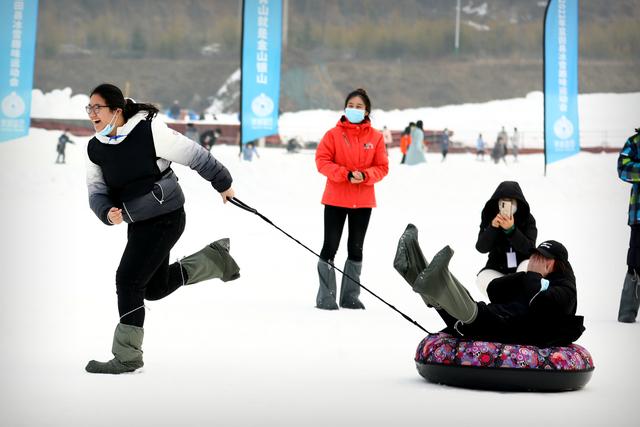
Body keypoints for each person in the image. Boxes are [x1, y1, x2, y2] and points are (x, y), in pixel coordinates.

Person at [83, 83, 240, 374]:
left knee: (128, 281)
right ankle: (214, 260)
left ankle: (127, 356)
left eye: (97, 107)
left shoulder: (149, 131)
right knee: (153, 288)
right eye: (88, 108)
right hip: (138, 221)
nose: (92, 113)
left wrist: (224, 183)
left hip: (166, 216)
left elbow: (196, 155)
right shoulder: (95, 148)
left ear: (116, 110)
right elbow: (96, 192)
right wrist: (106, 212)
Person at [394, 226, 585, 347]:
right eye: (536, 255)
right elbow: (494, 291)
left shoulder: (566, 290)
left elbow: (539, 307)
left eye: (543, 258)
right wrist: (526, 275)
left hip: (511, 330)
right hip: (497, 317)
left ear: (557, 264)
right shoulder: (530, 278)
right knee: (453, 303)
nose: (536, 260)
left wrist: (533, 275)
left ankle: (434, 276)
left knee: (470, 310)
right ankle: (411, 267)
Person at [315, 88, 389, 310]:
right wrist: (345, 174)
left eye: (359, 106)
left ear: (367, 111)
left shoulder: (375, 137)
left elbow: (382, 167)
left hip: (363, 201)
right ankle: (325, 297)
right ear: (345, 108)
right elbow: (322, 161)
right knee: (330, 246)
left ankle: (350, 297)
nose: (354, 109)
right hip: (335, 199)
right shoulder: (333, 134)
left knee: (356, 249)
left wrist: (365, 176)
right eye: (351, 105)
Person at [475, 181, 537, 297]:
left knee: (529, 266)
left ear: (518, 203)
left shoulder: (527, 219)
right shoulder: (490, 217)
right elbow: (481, 247)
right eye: (503, 200)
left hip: (521, 268)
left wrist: (511, 230)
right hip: (498, 268)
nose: (507, 204)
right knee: (482, 278)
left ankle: (520, 302)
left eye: (511, 201)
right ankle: (506, 305)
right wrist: (492, 228)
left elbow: (530, 249)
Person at [617, 128, 640, 323]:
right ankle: (627, 314)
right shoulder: (634, 142)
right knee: (635, 262)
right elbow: (622, 168)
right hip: (639, 216)